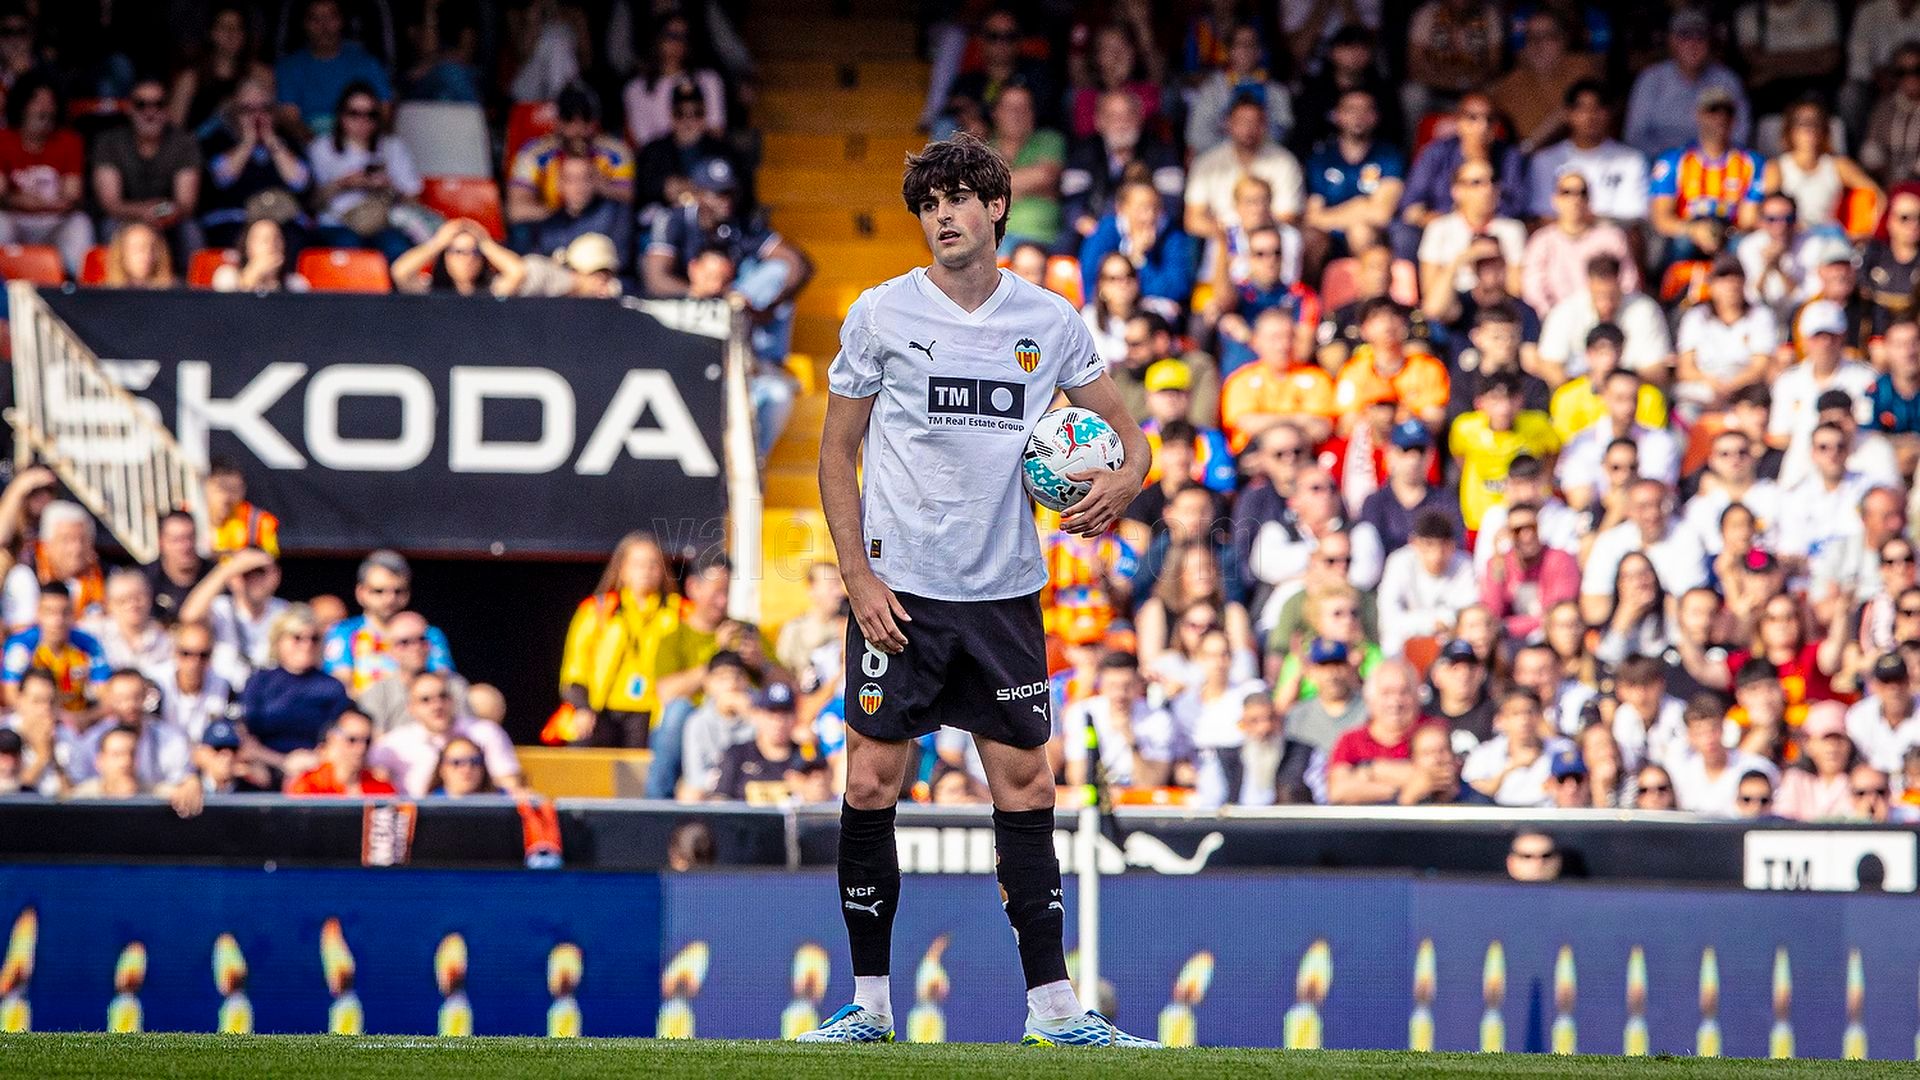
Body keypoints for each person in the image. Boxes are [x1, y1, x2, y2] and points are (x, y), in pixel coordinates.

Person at [804, 132, 1158, 1046]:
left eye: (959, 198)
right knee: (873, 781)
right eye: (928, 204)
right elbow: (835, 451)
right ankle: (871, 1009)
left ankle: (1055, 1012)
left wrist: (1124, 481)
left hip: (1003, 591)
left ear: (997, 207)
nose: (943, 216)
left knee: (1026, 788)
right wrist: (857, 577)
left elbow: (1129, 437)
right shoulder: (881, 314)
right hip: (901, 592)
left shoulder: (1048, 320)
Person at [1183, 95, 1304, 274]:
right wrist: (1229, 235)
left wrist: (1250, 230)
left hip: (1270, 239)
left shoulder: (1284, 161)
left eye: (1255, 122)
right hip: (1220, 237)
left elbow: (1289, 215)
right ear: (1228, 124)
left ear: (1265, 126)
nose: (1248, 129)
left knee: (1287, 239)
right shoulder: (1207, 163)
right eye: (1241, 122)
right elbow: (1193, 219)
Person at [306, 80, 424, 261]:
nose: (363, 121)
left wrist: (388, 186)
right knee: (348, 247)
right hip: (336, 223)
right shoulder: (321, 147)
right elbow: (311, 203)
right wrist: (344, 184)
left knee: (397, 249)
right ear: (340, 115)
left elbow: (413, 199)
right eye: (354, 113)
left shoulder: (392, 147)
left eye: (371, 114)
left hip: (382, 223)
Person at [1647, 87, 1763, 265]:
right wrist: (1693, 229)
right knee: (1682, 243)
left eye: (1727, 113)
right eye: (1713, 111)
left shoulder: (1751, 162)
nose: (1720, 118)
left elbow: (1749, 219)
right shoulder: (1674, 160)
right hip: (1687, 233)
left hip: (1730, 234)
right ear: (1699, 115)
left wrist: (1721, 232)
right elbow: (1661, 219)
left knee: (1744, 245)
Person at [197, 72, 311, 250]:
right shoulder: (217, 141)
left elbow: (300, 182)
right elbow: (221, 179)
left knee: (293, 239)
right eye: (247, 110)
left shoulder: (289, 141)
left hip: (281, 219)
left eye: (264, 109)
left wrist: (272, 142)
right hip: (234, 221)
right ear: (234, 112)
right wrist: (247, 142)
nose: (257, 116)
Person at [90, 74, 201, 256]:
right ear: (129, 108)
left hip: (170, 221)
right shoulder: (109, 142)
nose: (150, 112)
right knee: (109, 226)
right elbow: (110, 203)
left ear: (167, 109)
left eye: (158, 104)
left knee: (190, 229)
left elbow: (186, 204)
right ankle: (111, 285)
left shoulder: (183, 142)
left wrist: (159, 211)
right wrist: (144, 211)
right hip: (124, 219)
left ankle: (193, 286)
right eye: (141, 104)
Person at [240, 604, 353, 776]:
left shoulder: (332, 687)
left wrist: (314, 760)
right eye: (297, 637)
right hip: (264, 771)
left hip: (317, 773)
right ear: (278, 641)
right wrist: (282, 762)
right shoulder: (259, 682)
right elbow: (244, 734)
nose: (306, 645)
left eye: (314, 638)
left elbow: (342, 737)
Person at [368, 670, 521, 797]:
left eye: (443, 696)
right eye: (426, 700)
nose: (437, 705)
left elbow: (509, 784)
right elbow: (369, 780)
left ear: (453, 700)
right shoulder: (394, 743)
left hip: (477, 817)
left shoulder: (485, 732)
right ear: (411, 708)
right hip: (414, 822)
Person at [1061, 89, 1184, 246]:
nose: (1121, 123)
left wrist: (1140, 230)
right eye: (1113, 116)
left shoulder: (1162, 152)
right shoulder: (1083, 153)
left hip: (1149, 232)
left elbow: (1171, 203)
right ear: (1099, 121)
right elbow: (1072, 202)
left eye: (1128, 115)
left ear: (1140, 118)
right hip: (1094, 233)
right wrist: (1097, 230)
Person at [1624, 10, 1751, 159]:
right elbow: (1635, 135)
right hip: (1661, 166)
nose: (1692, 44)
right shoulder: (1651, 79)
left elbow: (1741, 132)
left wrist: (1707, 161)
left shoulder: (1727, 80)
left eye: (1700, 37)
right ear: (1671, 41)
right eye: (1684, 36)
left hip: (1715, 166)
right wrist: (1674, 161)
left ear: (1710, 43)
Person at [323, 550, 452, 696]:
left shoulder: (427, 635)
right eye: (379, 591)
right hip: (362, 711)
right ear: (361, 592)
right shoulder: (343, 632)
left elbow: (442, 682)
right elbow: (340, 685)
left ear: (408, 593)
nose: (389, 599)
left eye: (398, 591)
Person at [507, 83, 633, 232]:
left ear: (595, 121)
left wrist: (600, 186)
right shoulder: (533, 155)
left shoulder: (615, 153)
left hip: (601, 228)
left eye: (586, 119)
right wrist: (563, 217)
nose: (578, 128)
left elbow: (628, 201)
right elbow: (516, 211)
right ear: (557, 122)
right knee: (521, 231)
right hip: (550, 228)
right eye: (569, 119)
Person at [0, 72, 92, 275]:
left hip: (55, 221)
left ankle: (84, 295)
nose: (45, 109)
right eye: (37, 101)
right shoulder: (3, 140)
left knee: (80, 223)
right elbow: (2, 196)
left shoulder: (69, 141)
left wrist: (28, 201)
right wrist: (42, 203)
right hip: (16, 219)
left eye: (50, 102)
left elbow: (72, 195)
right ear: (21, 105)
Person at [1580, 478, 1707, 625]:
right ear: (1628, 510)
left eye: (1659, 504)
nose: (1652, 514)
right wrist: (1630, 607)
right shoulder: (1609, 541)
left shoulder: (1688, 537)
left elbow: (1690, 601)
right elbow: (1593, 611)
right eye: (1643, 506)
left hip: (1671, 626)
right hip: (1623, 623)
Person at [1448, 370, 1559, 538]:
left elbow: (1553, 450)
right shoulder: (1465, 428)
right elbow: (1460, 457)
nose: (1504, 408)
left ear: (1521, 399)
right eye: (1495, 399)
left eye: (1510, 398)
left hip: (1527, 513)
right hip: (1479, 515)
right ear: (1480, 402)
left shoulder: (1538, 426)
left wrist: (1544, 478)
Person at [1527, 81, 1651, 226]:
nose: (1590, 116)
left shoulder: (1632, 160)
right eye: (1582, 108)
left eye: (1598, 108)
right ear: (1567, 114)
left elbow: (1633, 216)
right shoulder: (1545, 160)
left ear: (1609, 113)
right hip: (1563, 240)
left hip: (1615, 238)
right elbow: (1545, 216)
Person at [1301, 86, 1404, 259]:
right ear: (1336, 116)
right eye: (1350, 110)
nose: (1358, 116)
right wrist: (1361, 205)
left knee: (1360, 231)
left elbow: (1381, 214)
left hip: (1371, 238)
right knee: (1310, 237)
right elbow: (1312, 217)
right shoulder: (1320, 159)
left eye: (1366, 110)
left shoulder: (1390, 156)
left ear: (1375, 117)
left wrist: (1330, 216)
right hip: (1329, 238)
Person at [1538, 256, 1672, 385]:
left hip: (1632, 396)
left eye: (1612, 295)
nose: (1606, 304)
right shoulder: (1564, 312)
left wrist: (1614, 384)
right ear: (1589, 286)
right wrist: (1587, 389)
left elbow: (1657, 372)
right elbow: (1549, 367)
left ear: (1620, 284)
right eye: (1599, 296)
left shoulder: (1645, 309)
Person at [1558, 371, 1682, 509]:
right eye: (1620, 399)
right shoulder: (1581, 443)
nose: (1629, 407)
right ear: (1603, 397)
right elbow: (1579, 501)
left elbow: (1654, 494)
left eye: (1633, 399)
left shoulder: (1660, 441)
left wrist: (1616, 502)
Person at [1521, 169, 1637, 316]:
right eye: (1567, 192)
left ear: (1589, 199)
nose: (1575, 199)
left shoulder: (1612, 237)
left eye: (1582, 192)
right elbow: (1533, 289)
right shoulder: (1542, 240)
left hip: (1608, 318)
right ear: (1555, 199)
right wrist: (1554, 318)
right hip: (1556, 320)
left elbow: (1628, 282)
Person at [1218, 308, 1335, 453]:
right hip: (1253, 460)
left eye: (1290, 337)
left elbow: (1321, 428)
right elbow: (1246, 424)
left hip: (1304, 457)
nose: (1284, 345)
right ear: (1256, 341)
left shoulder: (1317, 378)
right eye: (1275, 338)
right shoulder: (1240, 380)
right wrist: (1299, 419)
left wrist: (1267, 420)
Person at [1486, 10, 1601, 151]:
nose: (1538, 44)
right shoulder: (1510, 86)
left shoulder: (1581, 68)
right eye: (1531, 37)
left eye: (1547, 36)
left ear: (1564, 40)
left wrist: (1535, 140)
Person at [1324, 660, 1436, 804]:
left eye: (1404, 692)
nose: (1395, 702)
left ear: (1417, 695)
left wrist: (1368, 772)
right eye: (1386, 693)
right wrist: (1401, 792)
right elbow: (1338, 791)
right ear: (1370, 699)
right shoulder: (1351, 741)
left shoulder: (1432, 732)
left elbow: (1432, 779)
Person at [274, 0, 391, 138]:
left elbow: (384, 111)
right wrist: (320, 150)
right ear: (304, 24)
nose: (324, 26)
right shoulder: (289, 68)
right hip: (308, 150)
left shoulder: (366, 63)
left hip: (360, 147)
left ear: (342, 21)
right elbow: (290, 119)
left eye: (331, 17)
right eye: (315, 19)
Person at [1079, 180, 1196, 317]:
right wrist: (1133, 255)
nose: (1150, 216)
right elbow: (1091, 286)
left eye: (1155, 208)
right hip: (1108, 313)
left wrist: (1141, 261)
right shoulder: (1105, 233)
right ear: (1122, 208)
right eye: (1142, 208)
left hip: (1151, 317)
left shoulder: (1172, 237)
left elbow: (1177, 288)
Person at [1764, 99, 1879, 231]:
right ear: (1789, 129)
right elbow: (1767, 212)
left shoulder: (1839, 165)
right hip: (1788, 236)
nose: (1809, 128)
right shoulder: (1777, 167)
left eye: (1815, 122)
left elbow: (1877, 195)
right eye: (1801, 122)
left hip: (1828, 239)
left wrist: (1866, 232)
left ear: (1824, 129)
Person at [1417, 162, 1526, 302]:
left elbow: (1515, 289)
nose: (1488, 189)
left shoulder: (1512, 230)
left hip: (1496, 305)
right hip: (1453, 307)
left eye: (1492, 181)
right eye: (1476, 183)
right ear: (1457, 191)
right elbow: (1429, 294)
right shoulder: (1438, 229)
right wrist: (1463, 259)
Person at [179, 547, 287, 681]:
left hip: (269, 691)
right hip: (226, 694)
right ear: (233, 578)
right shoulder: (221, 608)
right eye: (246, 574)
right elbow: (189, 617)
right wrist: (228, 569)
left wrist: (270, 567)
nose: (254, 580)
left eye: (260, 573)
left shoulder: (284, 612)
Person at [356, 611, 471, 736]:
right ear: (390, 650)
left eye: (422, 640)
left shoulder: (453, 684)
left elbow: (466, 731)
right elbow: (376, 741)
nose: (416, 647)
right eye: (404, 642)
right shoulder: (377, 691)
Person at [1376, 513, 1476, 656]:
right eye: (1429, 545)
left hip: (1449, 644)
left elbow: (1467, 613)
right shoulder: (1399, 562)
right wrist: (1431, 623)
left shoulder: (1464, 564)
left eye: (1444, 545)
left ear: (1453, 545)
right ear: (1414, 543)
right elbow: (1388, 617)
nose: (1437, 554)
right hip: (1405, 643)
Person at [634, 80, 732, 227]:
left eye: (696, 113)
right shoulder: (652, 150)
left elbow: (741, 195)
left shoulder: (723, 150)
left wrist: (693, 189)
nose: (688, 121)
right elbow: (640, 193)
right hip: (664, 225)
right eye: (680, 113)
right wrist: (663, 188)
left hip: (711, 226)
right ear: (671, 115)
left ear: (705, 115)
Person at [623, 13, 725, 149]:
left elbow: (715, 131)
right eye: (671, 36)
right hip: (659, 159)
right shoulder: (636, 89)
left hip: (703, 156)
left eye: (684, 37)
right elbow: (643, 141)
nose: (678, 43)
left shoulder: (708, 80)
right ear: (657, 39)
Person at [1481, 501, 1580, 641]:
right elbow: (1490, 616)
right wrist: (1497, 566)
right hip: (1508, 643)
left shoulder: (1560, 559)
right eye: (1518, 530)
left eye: (1531, 528)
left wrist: (1507, 627)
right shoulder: (1498, 563)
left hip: (1549, 640)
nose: (1526, 536)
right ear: (1508, 534)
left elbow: (1555, 616)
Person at [1670, 694, 1781, 817]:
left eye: (1713, 730)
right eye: (1699, 732)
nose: (1708, 739)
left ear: (1723, 728)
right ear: (1689, 736)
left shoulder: (1756, 766)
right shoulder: (1680, 772)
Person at [1185, 24, 1290, 154]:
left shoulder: (1277, 92)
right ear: (1229, 51)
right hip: (1220, 161)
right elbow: (1197, 136)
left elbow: (1282, 133)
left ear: (1259, 52)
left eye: (1251, 44)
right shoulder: (1210, 90)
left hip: (1264, 160)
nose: (1246, 49)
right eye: (1240, 44)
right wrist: (1233, 152)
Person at [171, 5, 271, 135]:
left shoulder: (260, 74)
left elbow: (269, 125)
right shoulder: (191, 78)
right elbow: (172, 132)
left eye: (237, 27)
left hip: (246, 150)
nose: (231, 33)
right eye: (224, 27)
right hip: (200, 151)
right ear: (211, 33)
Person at [1464, 690, 1574, 808]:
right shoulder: (1483, 754)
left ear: (1540, 715)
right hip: (1498, 819)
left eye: (1530, 712)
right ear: (1501, 719)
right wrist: (1510, 768)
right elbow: (1474, 795)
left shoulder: (1562, 750)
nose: (1524, 720)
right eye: (1515, 714)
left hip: (1549, 818)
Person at [987, 84, 1064, 251]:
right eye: (1010, 108)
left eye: (1023, 108)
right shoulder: (981, 149)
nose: (1017, 115)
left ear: (1032, 113)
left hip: (1040, 239)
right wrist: (1038, 188)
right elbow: (978, 193)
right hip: (993, 241)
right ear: (995, 113)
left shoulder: (1049, 140)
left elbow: (1046, 176)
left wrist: (996, 190)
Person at [3, 591, 107, 713]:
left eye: (65, 612)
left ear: (73, 614)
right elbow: (11, 696)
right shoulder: (20, 646)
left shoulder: (89, 645)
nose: (58, 620)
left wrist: (83, 719)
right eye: (50, 612)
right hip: (35, 716)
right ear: (38, 613)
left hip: (79, 719)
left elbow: (104, 695)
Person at [391, 217, 523, 296]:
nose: (468, 259)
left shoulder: (491, 290)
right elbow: (400, 272)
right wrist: (437, 243)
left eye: (475, 252)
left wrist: (485, 242)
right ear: (445, 257)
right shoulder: (431, 288)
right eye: (458, 252)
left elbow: (517, 272)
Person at [1777, 702, 1859, 820]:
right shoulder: (1796, 780)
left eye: (1839, 740)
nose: (1832, 748)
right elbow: (1783, 823)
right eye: (1825, 740)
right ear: (1808, 745)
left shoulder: (1862, 782)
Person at [285, 710, 396, 796]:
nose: (361, 748)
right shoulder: (309, 785)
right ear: (333, 739)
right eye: (352, 739)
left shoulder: (381, 789)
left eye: (367, 741)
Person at [83, 569, 170, 675]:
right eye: (122, 600)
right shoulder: (93, 632)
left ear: (150, 598)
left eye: (138, 598)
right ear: (108, 604)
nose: (132, 605)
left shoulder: (165, 639)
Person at [1863, 43, 1920, 186]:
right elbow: (1870, 152)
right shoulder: (1885, 108)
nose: (1910, 77)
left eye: (1917, 70)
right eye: (1902, 72)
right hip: (1889, 184)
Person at [209, 217, 308, 293]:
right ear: (247, 247)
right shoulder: (227, 276)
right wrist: (253, 276)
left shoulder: (295, 284)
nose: (271, 244)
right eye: (263, 239)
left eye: (277, 238)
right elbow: (228, 313)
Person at [99, 223, 176, 289]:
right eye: (136, 248)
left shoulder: (174, 294)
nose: (146, 254)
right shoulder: (105, 296)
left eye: (152, 247)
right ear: (121, 254)